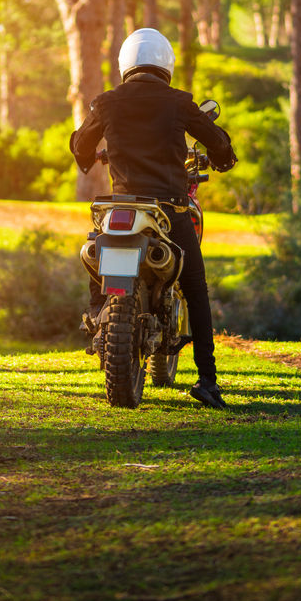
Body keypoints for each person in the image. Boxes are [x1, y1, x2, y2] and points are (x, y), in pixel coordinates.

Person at [69, 28, 238, 410]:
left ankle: (97, 312)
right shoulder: (179, 103)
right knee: (195, 288)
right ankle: (208, 382)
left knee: (95, 250)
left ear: (126, 63)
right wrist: (224, 157)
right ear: (166, 65)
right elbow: (216, 140)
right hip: (170, 209)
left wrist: (86, 158)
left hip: (120, 207)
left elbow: (80, 143)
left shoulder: (107, 103)